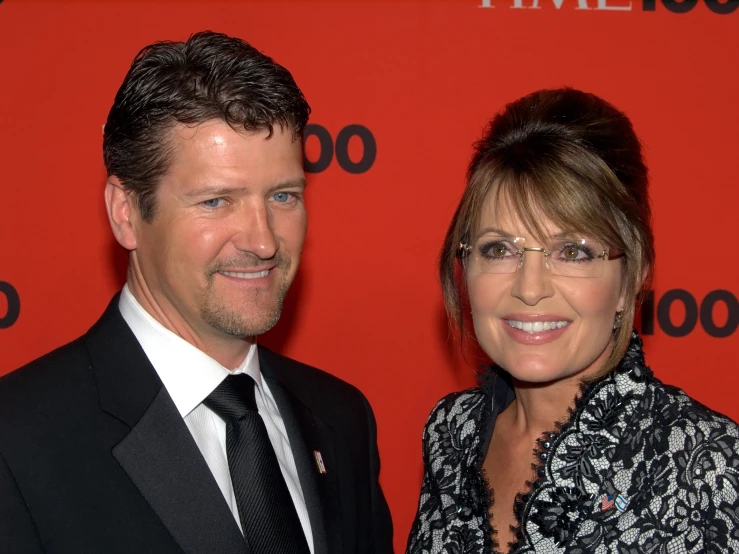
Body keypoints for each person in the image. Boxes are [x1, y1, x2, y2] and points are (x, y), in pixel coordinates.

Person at [0, 31, 393, 554]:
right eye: (215, 202)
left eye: (282, 195)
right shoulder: (17, 439)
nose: (263, 240)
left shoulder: (341, 418)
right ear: (126, 213)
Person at [406, 88, 739, 553]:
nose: (530, 286)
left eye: (573, 252)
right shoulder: (450, 434)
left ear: (631, 279)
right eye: (499, 249)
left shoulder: (714, 464)